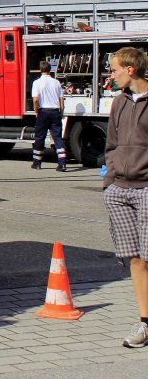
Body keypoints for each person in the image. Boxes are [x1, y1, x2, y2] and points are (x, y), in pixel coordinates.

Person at [104, 46, 148, 348]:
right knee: (133, 258)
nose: (112, 75)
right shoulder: (118, 102)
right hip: (120, 189)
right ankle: (145, 322)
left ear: (130, 70)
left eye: (115, 70)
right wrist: (109, 183)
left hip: (146, 187)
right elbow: (112, 144)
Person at [31, 60, 66, 171]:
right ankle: (62, 163)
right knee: (57, 137)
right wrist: (61, 112)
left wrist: (36, 111)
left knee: (40, 137)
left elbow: (36, 99)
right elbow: (61, 99)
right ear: (50, 70)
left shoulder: (37, 83)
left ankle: (37, 163)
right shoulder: (56, 82)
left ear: (40, 70)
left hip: (43, 112)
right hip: (55, 111)